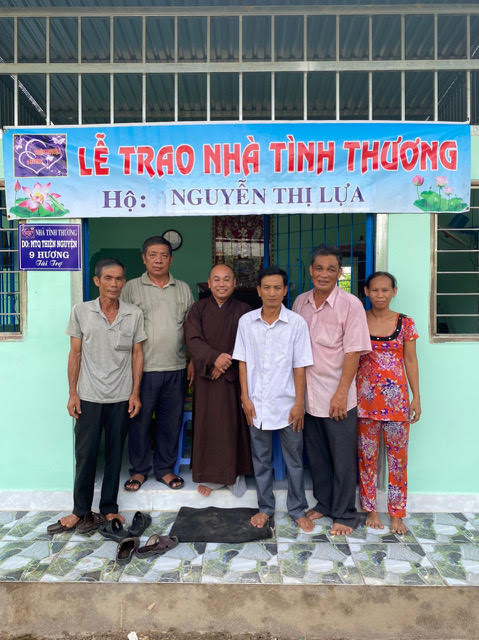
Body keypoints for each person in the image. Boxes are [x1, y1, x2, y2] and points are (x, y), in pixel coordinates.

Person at [47, 259, 146, 535]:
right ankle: (79, 511)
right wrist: (72, 393)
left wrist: (135, 393)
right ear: (97, 281)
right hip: (89, 396)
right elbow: (75, 353)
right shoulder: (81, 311)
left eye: (119, 278)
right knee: (86, 455)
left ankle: (109, 507)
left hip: (121, 396)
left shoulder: (133, 313)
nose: (114, 284)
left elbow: (137, 354)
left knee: (115, 455)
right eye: (108, 278)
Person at [293, 245, 371, 536]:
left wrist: (341, 393)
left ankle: (345, 514)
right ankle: (324, 503)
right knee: (317, 456)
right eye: (319, 268)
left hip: (337, 396)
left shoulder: (350, 305)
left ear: (340, 273)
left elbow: (353, 352)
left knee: (342, 458)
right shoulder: (300, 302)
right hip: (308, 395)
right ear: (310, 271)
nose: (324, 274)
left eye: (331, 269)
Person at [233, 266, 314, 532]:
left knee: (295, 460)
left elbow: (300, 366)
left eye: (277, 287)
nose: (271, 293)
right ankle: (265, 508)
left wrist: (299, 403)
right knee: (261, 459)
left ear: (285, 290)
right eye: (266, 287)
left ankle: (297, 509)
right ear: (258, 290)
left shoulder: (296, 323)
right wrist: (245, 397)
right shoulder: (246, 322)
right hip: (257, 403)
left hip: (288, 404)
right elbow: (242, 362)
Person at [122, 236, 194, 491]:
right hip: (143, 369)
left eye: (164, 255)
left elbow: (191, 327)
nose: (158, 260)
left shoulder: (182, 288)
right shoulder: (131, 288)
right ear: (144, 258)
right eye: (153, 255)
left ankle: (164, 469)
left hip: (175, 367)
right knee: (139, 422)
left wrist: (192, 359)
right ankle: (139, 470)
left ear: (171, 259)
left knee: (170, 422)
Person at [356, 271, 421, 535]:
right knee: (367, 458)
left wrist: (416, 397)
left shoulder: (406, 323)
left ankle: (397, 514)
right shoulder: (358, 320)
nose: (380, 295)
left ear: (394, 291)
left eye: (385, 290)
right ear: (366, 291)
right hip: (365, 402)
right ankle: (371, 510)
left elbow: (410, 360)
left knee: (397, 461)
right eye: (375, 290)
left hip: (397, 404)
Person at [184, 264, 253, 497]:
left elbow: (249, 342)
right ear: (209, 283)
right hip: (207, 378)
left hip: (234, 377)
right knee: (209, 426)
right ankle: (212, 476)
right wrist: (214, 359)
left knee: (233, 426)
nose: (221, 284)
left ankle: (234, 474)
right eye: (216, 279)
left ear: (235, 283)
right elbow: (193, 339)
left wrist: (225, 362)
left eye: (226, 279)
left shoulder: (244, 310)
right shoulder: (198, 309)